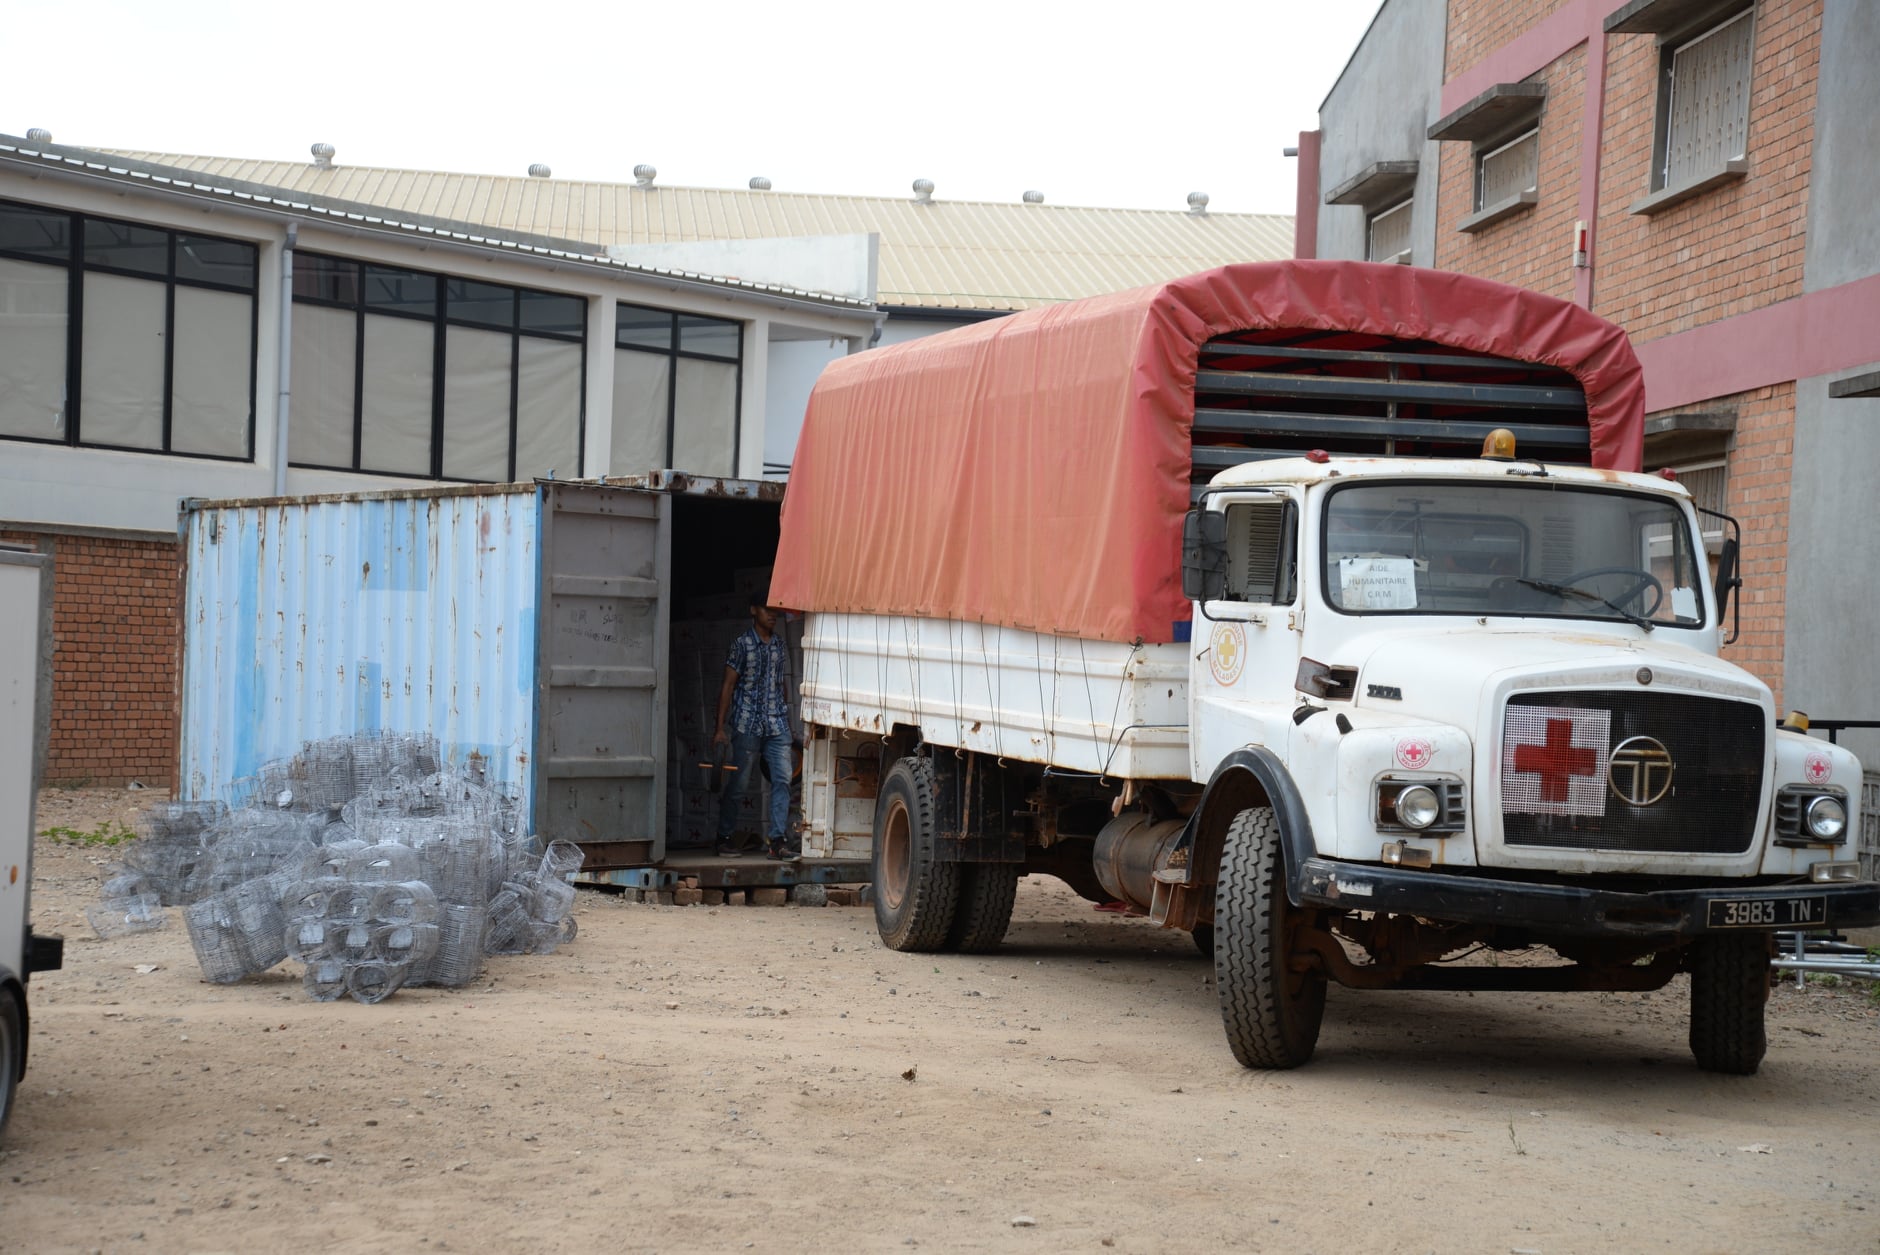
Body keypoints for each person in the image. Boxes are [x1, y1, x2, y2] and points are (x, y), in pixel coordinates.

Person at [712, 601, 799, 859]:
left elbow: (780, 684)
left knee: (783, 780)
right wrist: (719, 729)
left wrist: (787, 722)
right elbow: (728, 685)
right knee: (739, 784)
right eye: (766, 610)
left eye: (775, 611)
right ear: (753, 610)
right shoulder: (741, 644)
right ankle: (724, 837)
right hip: (747, 723)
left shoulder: (779, 645)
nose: (772, 615)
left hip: (776, 725)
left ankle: (777, 842)